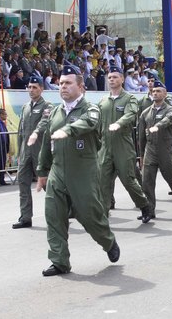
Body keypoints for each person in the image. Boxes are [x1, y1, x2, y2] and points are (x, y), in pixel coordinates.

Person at [36, 65, 120, 277]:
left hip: (83, 172)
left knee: (89, 216)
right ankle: (59, 261)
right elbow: (47, 141)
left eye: (68, 83)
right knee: (53, 215)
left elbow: (89, 123)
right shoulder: (55, 112)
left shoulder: (91, 109)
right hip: (58, 172)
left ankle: (108, 241)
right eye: (61, 83)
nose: (63, 86)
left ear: (81, 87)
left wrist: (68, 130)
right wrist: (42, 171)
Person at [98, 66, 154, 222]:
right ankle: (103, 212)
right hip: (105, 147)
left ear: (122, 79)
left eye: (115, 77)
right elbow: (96, 123)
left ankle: (145, 206)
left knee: (128, 180)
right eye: (110, 77)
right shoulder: (103, 101)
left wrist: (119, 123)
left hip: (122, 146)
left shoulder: (129, 98)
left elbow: (131, 113)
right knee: (103, 181)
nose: (112, 80)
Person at [138, 80, 172, 217]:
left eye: (158, 91)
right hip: (150, 149)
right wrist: (142, 155)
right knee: (147, 180)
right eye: (153, 91)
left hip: (165, 149)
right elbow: (141, 136)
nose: (155, 93)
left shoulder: (170, 109)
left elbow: (170, 119)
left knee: (171, 178)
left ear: (165, 94)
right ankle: (149, 210)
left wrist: (158, 126)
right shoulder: (145, 113)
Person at [12, 76, 54, 229]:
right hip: (26, 152)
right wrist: (19, 151)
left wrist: (36, 132)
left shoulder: (47, 106)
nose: (31, 90)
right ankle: (25, 217)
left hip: (40, 151)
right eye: (29, 87)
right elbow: (20, 131)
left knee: (47, 185)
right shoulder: (25, 107)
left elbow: (45, 122)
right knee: (23, 184)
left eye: (34, 87)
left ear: (41, 89)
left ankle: (60, 212)